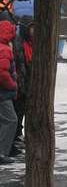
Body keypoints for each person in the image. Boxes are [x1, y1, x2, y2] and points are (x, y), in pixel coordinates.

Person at [11, 19, 33, 154]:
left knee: (23, 112)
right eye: (31, 28)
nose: (33, 31)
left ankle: (18, 136)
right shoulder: (19, 44)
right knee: (17, 113)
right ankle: (15, 138)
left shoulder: (33, 43)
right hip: (20, 84)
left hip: (28, 83)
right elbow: (20, 66)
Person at [0, 20, 18, 164]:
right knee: (11, 120)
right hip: (3, 92)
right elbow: (2, 73)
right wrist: (12, 85)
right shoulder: (5, 49)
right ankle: (2, 152)